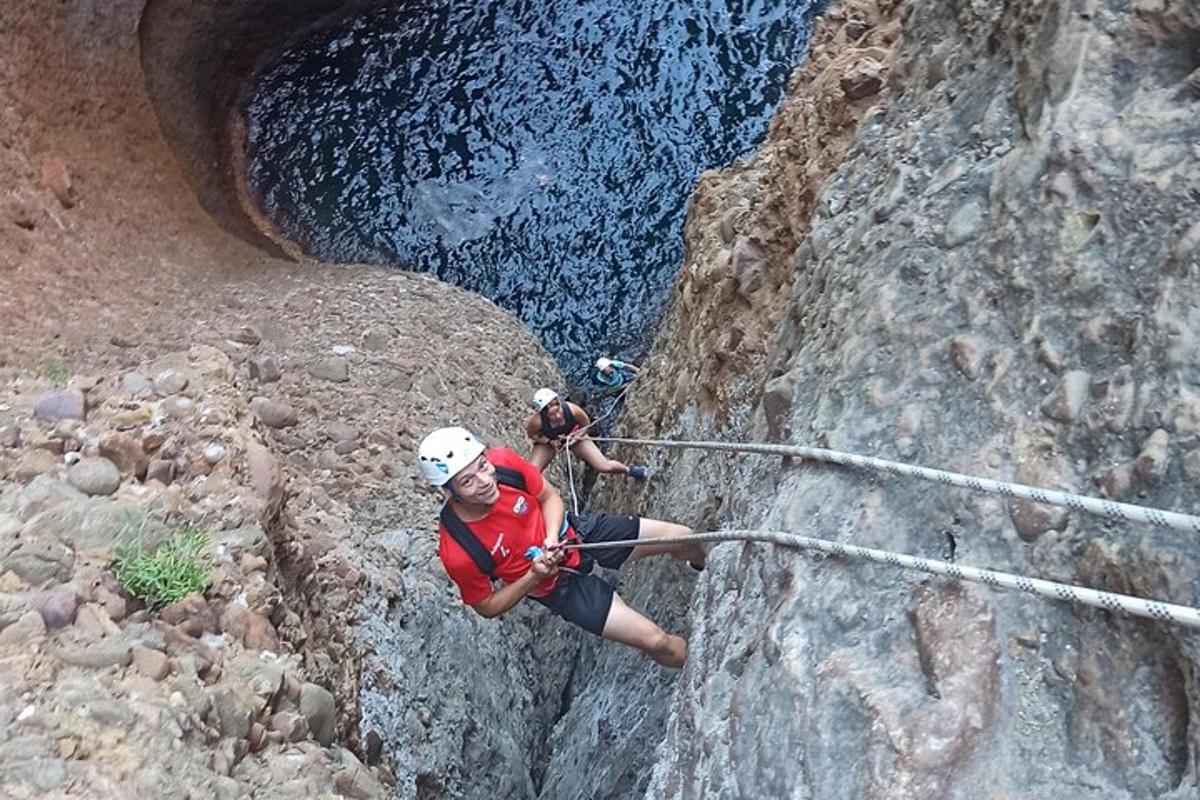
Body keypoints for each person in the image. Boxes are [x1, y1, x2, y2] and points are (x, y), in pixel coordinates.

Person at [417, 427, 705, 666]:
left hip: (575, 535)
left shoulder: (503, 463)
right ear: (449, 492)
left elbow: (549, 498)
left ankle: (702, 569)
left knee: (683, 536)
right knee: (656, 641)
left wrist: (551, 537)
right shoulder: (459, 549)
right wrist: (534, 576)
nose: (485, 481)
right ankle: (700, 669)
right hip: (557, 588)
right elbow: (487, 606)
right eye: (468, 481)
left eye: (482, 465)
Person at [525, 388, 648, 479]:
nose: (557, 415)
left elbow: (587, 425)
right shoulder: (537, 422)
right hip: (551, 442)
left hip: (575, 436)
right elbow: (533, 435)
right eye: (552, 414)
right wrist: (550, 442)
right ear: (543, 413)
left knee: (604, 466)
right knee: (531, 473)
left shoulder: (573, 411)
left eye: (557, 409)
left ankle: (629, 470)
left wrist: (576, 437)